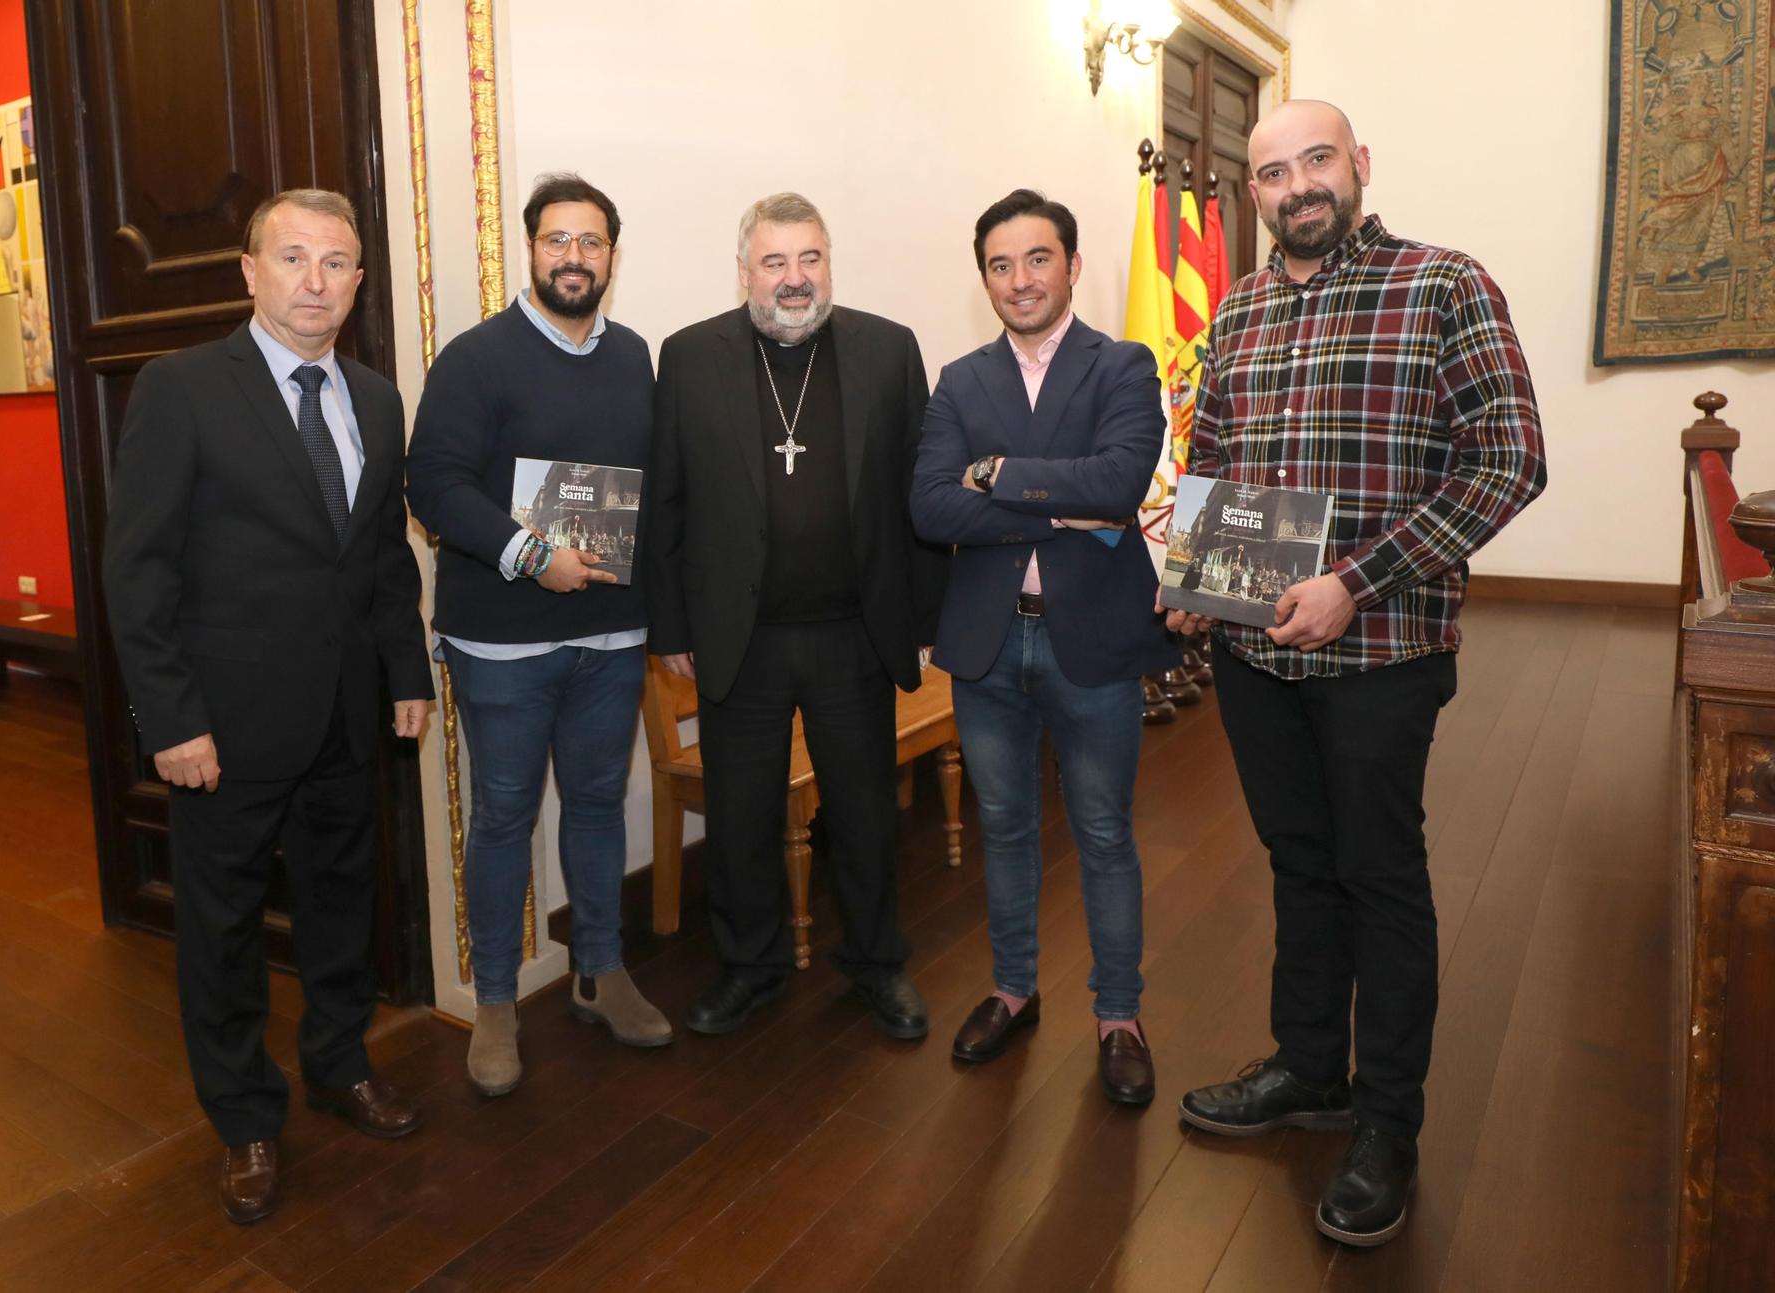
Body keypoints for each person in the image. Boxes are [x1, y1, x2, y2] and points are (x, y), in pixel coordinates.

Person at [1172, 100, 1546, 1247]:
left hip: (1380, 651)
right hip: (1250, 653)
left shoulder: (1444, 286)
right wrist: (1192, 578)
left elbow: (1509, 460)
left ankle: (1385, 1121)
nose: (1296, 187)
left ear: (1358, 166)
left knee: (1377, 876)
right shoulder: (1232, 309)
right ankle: (1305, 1070)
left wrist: (1356, 581)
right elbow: (1216, 460)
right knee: (1298, 864)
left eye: (1315, 161)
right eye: (1272, 172)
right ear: (1253, 193)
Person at [102, 188, 435, 1226]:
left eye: (336, 263)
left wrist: (410, 675)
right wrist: (170, 720)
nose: (315, 281)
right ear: (250, 272)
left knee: (343, 904)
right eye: (292, 258)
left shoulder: (377, 399)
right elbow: (138, 568)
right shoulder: (183, 387)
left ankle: (339, 1065)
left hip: (346, 714)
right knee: (223, 925)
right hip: (226, 725)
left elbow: (380, 557)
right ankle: (245, 1115)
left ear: (357, 284)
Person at [643, 192, 946, 1038]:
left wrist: (923, 617)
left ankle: (877, 964)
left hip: (854, 629)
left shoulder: (888, 350)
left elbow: (916, 496)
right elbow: (665, 502)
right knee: (740, 815)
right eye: (774, 262)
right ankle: (751, 966)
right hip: (739, 638)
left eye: (808, 259)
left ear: (828, 263)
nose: (793, 278)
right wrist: (669, 631)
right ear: (745, 271)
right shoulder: (691, 356)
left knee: (863, 812)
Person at [405, 173, 671, 1098]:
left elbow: (655, 488)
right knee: (505, 816)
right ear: (530, 249)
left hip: (609, 636)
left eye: (590, 242)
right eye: (557, 240)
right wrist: (529, 553)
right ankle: (495, 1004)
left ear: (611, 254)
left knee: (598, 805)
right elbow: (432, 487)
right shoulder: (475, 358)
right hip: (504, 643)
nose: (573, 257)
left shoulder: (635, 355)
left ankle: (600, 971)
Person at [910, 189, 1178, 1102]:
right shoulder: (959, 380)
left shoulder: (1124, 365)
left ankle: (1119, 1014)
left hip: (1092, 641)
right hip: (988, 643)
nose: (1019, 280)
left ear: (1069, 263)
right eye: (999, 264)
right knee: (1005, 827)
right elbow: (929, 505)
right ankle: (1013, 990)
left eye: (1037, 260)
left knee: (1102, 832)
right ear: (983, 275)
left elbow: (1118, 483)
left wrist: (994, 477)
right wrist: (1055, 501)